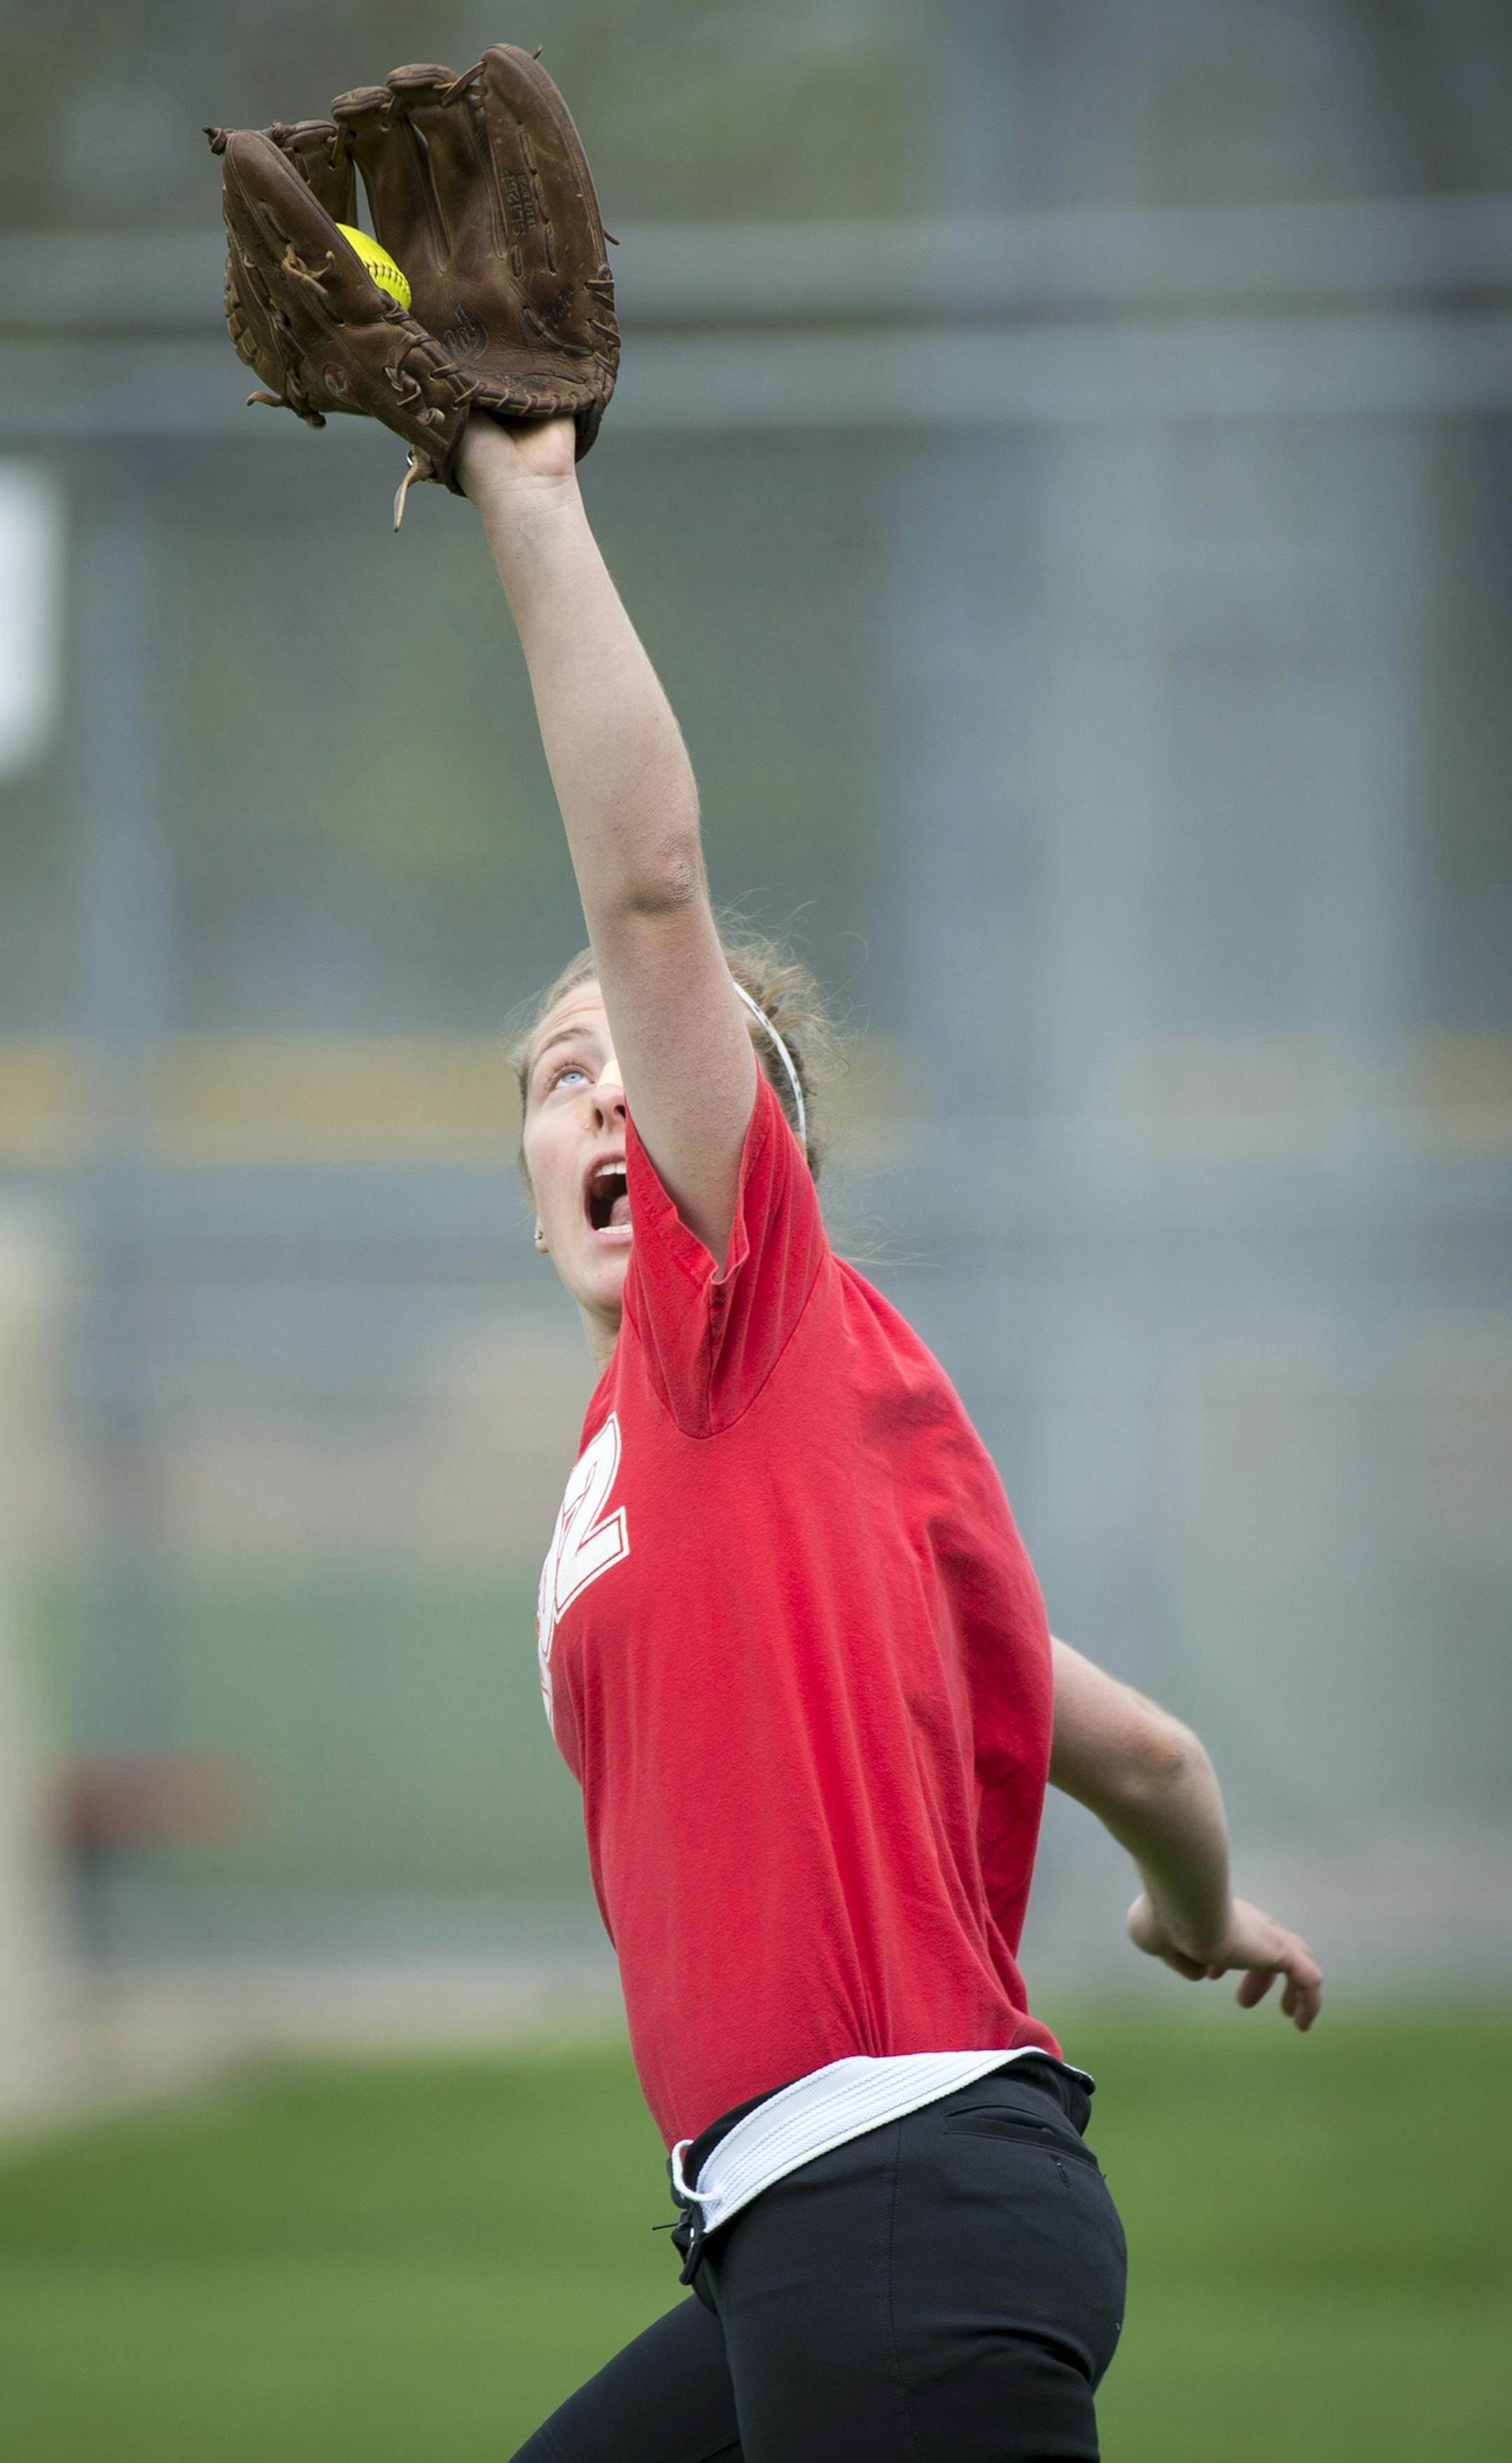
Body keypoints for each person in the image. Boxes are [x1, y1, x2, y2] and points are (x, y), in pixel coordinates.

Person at [459, 408, 1322, 2463]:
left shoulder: (739, 1324)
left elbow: (652, 886)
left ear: (753, 1151)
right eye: (550, 1077)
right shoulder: (745, 1452)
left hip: (902, 2202)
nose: (598, 1099)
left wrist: (532, 499)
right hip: (823, 2228)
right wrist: (1197, 1910)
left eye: (637, 1066)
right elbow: (1140, 1753)